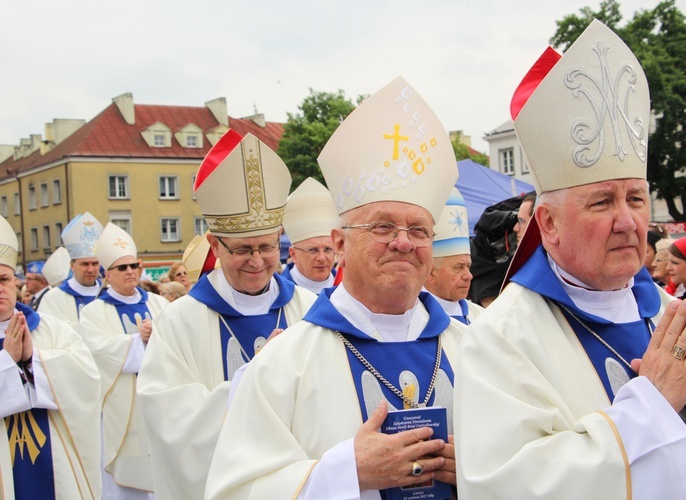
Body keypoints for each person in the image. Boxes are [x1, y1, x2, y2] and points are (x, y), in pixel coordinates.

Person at [455, 20, 686, 499]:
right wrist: (650, 408)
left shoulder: (674, 314)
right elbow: (507, 486)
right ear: (547, 224)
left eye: (635, 199)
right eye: (601, 202)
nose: (627, 221)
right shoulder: (501, 339)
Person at [205, 76, 464, 499]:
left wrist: (480, 469)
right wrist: (347, 473)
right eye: (383, 226)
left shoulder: (477, 348)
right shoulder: (281, 365)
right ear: (340, 243)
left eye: (419, 230)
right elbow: (234, 491)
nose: (403, 241)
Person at [136, 129, 317, 500]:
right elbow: (169, 419)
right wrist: (254, 376)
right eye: (243, 249)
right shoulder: (179, 321)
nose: (256, 261)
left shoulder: (309, 310)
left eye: (267, 247)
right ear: (215, 244)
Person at [0, 215, 101, 498]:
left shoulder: (50, 328)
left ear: (15, 282)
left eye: (3, 279)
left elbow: (88, 377)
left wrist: (34, 358)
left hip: (55, 460)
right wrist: (7, 361)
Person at [78, 222, 169, 499]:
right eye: (122, 267)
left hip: (159, 403)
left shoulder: (159, 303)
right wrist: (136, 341)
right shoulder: (94, 312)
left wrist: (159, 338)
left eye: (134, 265)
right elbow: (97, 353)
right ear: (107, 274)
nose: (130, 272)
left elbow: (178, 345)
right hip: (122, 411)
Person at [424, 187, 483, 324]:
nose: (468, 276)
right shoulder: (417, 319)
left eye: (468, 266)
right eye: (458, 267)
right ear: (431, 273)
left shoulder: (483, 317)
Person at [38, 212, 104, 328]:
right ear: (72, 266)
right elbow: (50, 333)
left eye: (95, 264)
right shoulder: (53, 298)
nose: (91, 269)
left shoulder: (108, 294)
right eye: (84, 264)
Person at [280, 177, 339, 294]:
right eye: (312, 250)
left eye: (327, 249)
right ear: (293, 254)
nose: (322, 258)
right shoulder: (277, 292)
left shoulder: (347, 288)